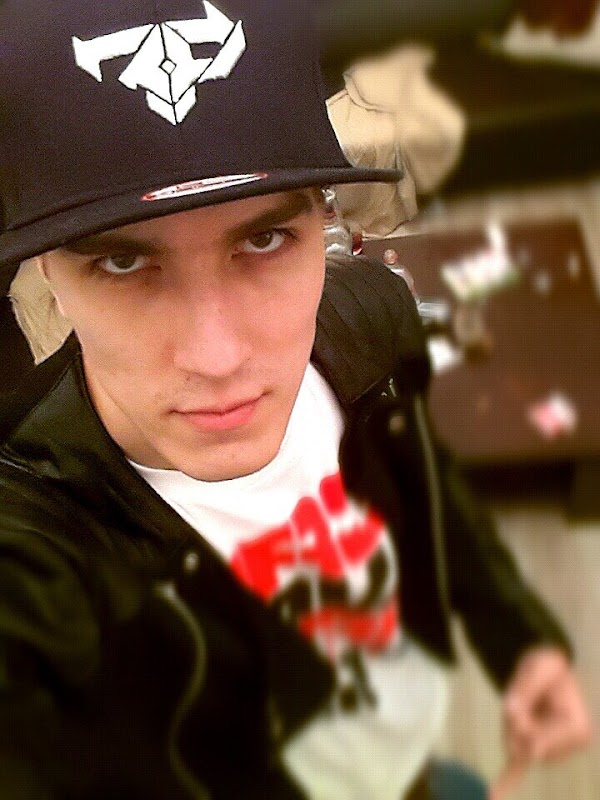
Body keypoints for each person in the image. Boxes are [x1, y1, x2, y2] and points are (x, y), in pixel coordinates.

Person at [0, 1, 591, 798]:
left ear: (326, 227)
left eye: (264, 239)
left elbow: (424, 480)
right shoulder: (32, 551)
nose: (217, 358)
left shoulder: (373, 317)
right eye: (123, 264)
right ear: (46, 272)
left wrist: (516, 638)